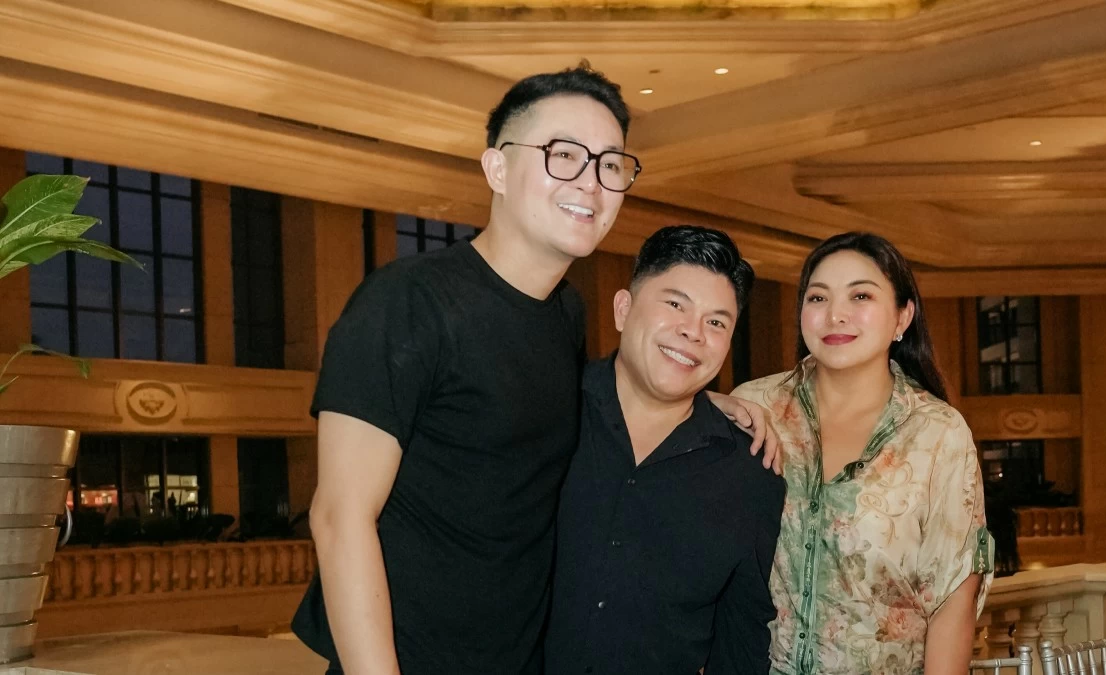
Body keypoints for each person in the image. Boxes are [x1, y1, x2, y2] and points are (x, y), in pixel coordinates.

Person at [291, 66, 778, 675]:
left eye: (609, 165)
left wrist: (704, 404)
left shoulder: (564, 313)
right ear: (497, 168)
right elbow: (339, 517)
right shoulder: (407, 303)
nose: (591, 183)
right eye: (564, 155)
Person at [731, 232, 994, 675]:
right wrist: (705, 404)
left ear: (902, 316)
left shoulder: (937, 434)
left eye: (861, 296)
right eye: (818, 297)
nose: (835, 314)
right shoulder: (753, 409)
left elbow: (952, 599)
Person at [545, 226, 786, 675]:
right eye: (675, 304)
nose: (693, 332)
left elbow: (741, 636)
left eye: (717, 322)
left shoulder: (749, 474)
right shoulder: (544, 411)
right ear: (623, 309)